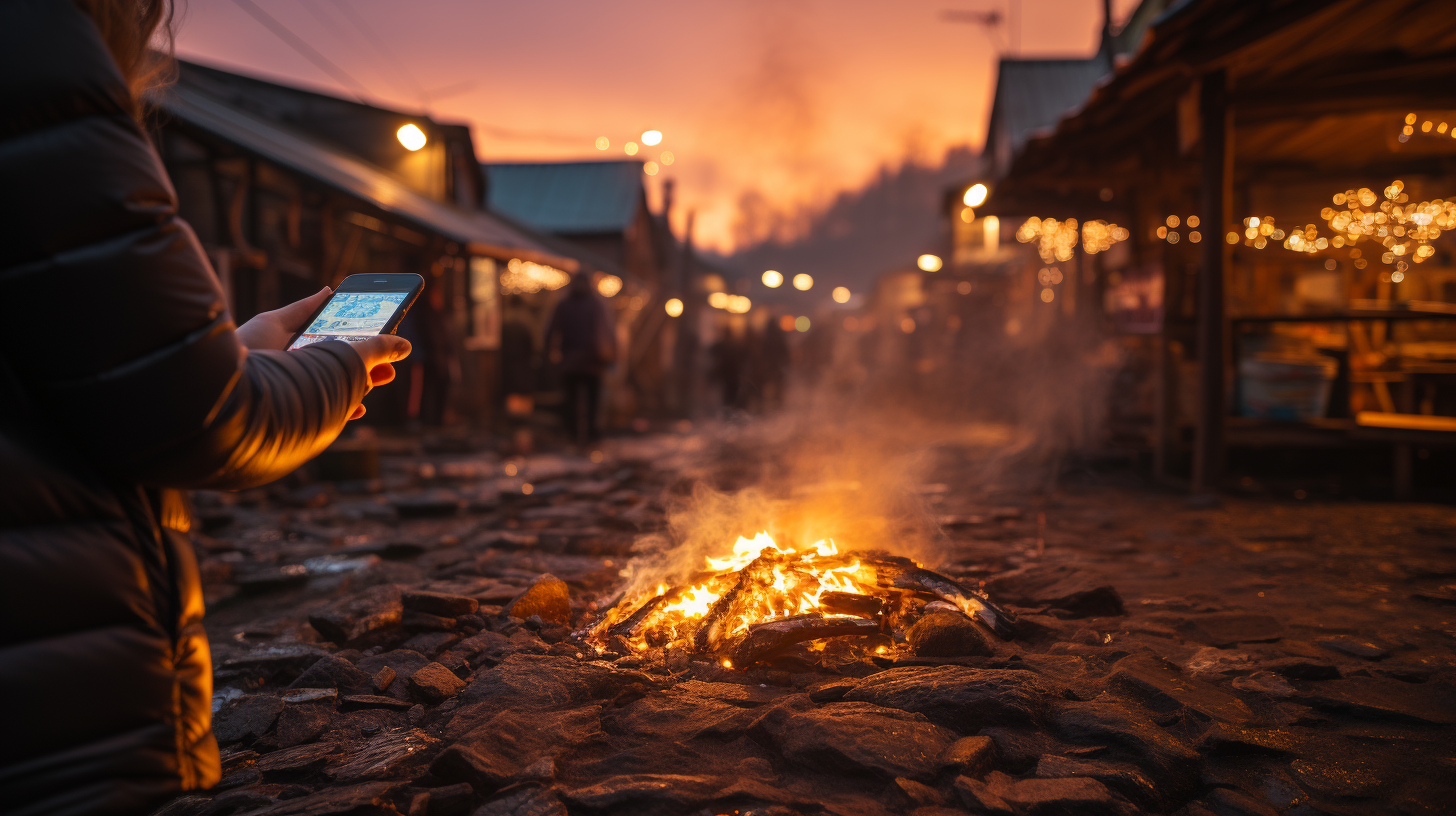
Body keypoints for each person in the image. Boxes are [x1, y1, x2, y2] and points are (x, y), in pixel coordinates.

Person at [0, 2, 411, 814]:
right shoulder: (33, 51)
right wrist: (336, 366)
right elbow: (207, 421)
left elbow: (61, 350)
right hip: (52, 714)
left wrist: (234, 348)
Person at [544, 273, 616, 445]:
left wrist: (550, 352)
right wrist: (610, 355)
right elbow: (607, 331)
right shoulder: (596, 305)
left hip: (570, 362)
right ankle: (590, 434)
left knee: (571, 400)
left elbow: (550, 331)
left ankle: (572, 434)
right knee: (592, 401)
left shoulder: (563, 305)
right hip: (593, 362)